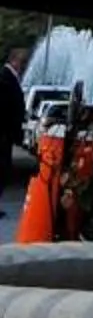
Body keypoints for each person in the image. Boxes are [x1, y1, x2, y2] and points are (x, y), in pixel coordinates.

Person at [0, 47, 26, 217]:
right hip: (3, 134)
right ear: (15, 60)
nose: (23, 67)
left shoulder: (8, 77)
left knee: (3, 170)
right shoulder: (5, 77)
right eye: (22, 62)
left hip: (5, 134)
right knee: (2, 169)